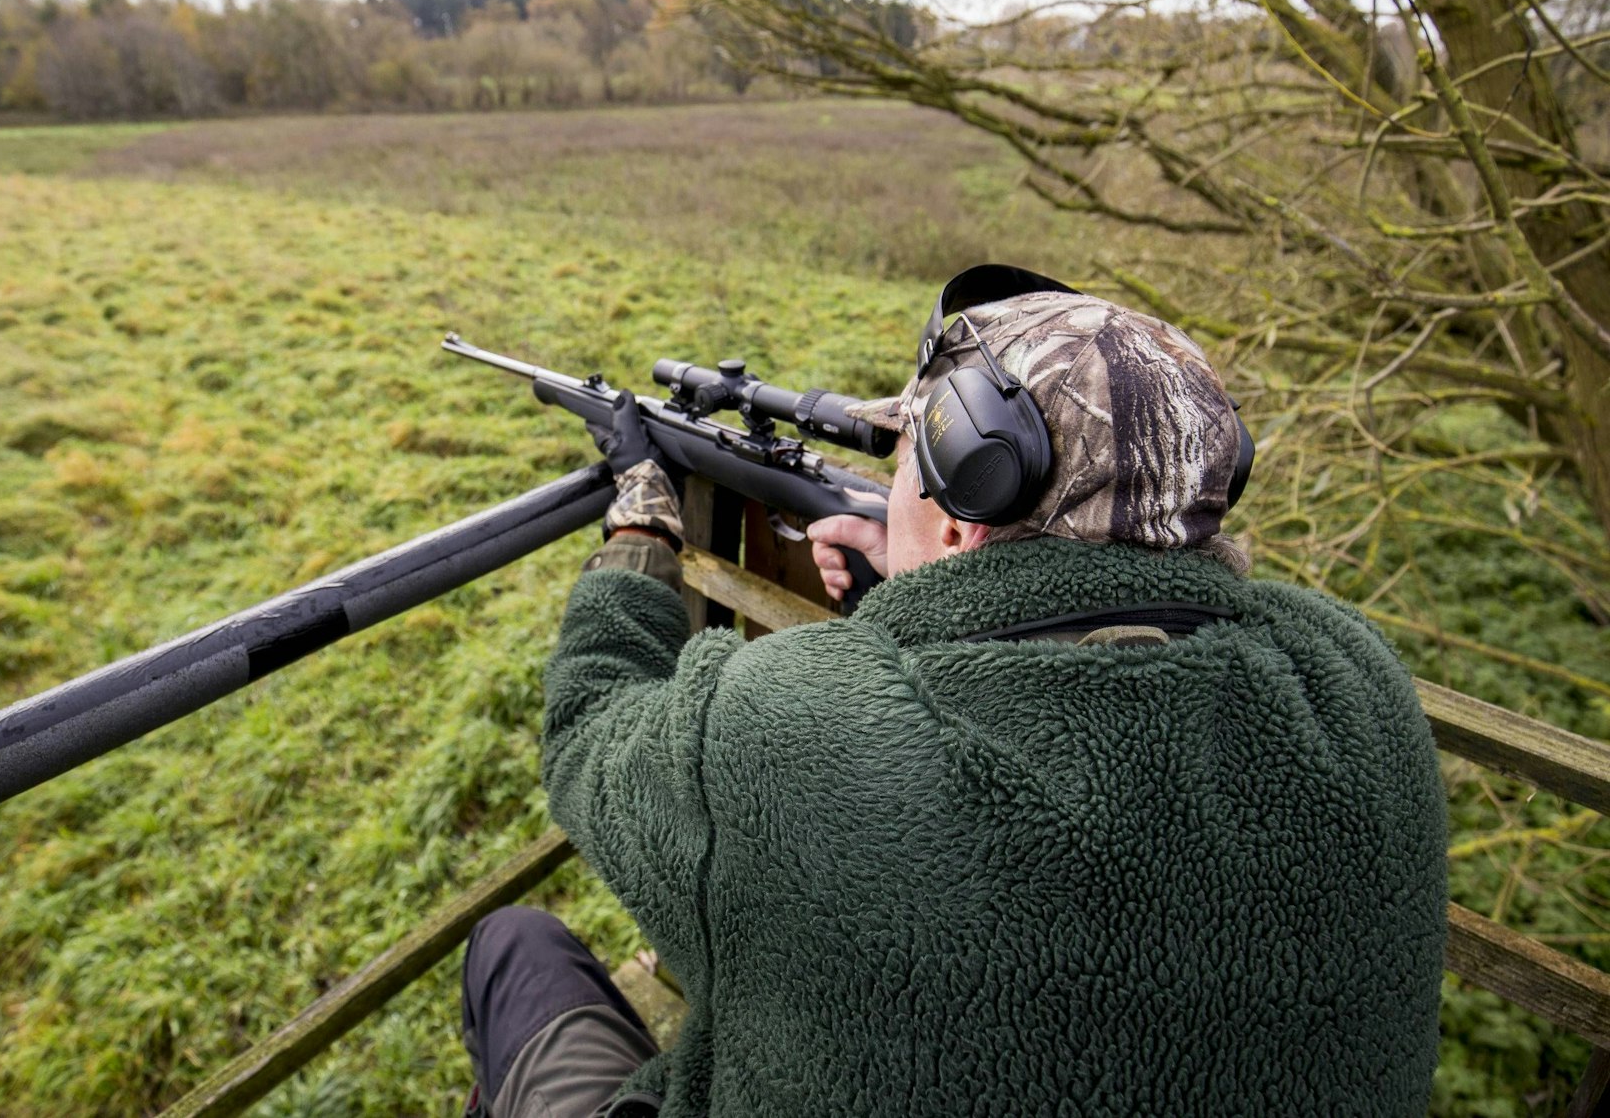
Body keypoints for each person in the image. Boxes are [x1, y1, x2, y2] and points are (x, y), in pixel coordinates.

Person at [460, 265, 1448, 1117]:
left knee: (513, 948)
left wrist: (640, 525)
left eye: (897, 469)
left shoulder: (788, 729)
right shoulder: (1357, 688)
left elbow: (590, 721)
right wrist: (933, 594)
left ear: (957, 522)